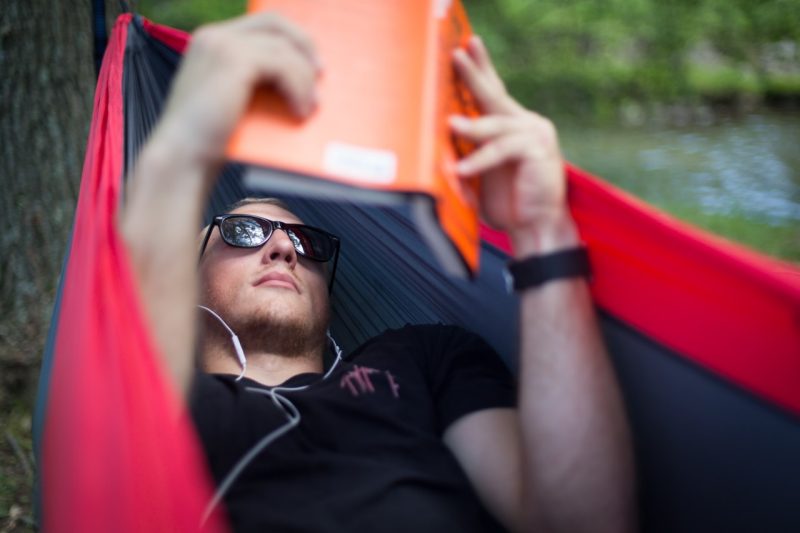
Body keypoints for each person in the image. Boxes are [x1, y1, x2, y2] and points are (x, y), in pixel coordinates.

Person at [120, 11, 636, 533]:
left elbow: (578, 522)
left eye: (306, 241)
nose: (283, 249)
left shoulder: (424, 358)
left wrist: (542, 229)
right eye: (244, 231)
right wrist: (181, 149)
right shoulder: (155, 399)